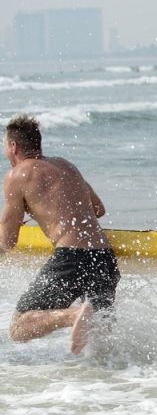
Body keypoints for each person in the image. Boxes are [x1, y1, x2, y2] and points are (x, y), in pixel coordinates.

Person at [0, 114, 119, 354]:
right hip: (105, 259)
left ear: (14, 146)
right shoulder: (65, 165)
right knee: (101, 343)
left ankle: (74, 314)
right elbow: (98, 209)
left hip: (73, 258)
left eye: (5, 146)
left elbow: (8, 241)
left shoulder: (17, 175)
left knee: (20, 327)